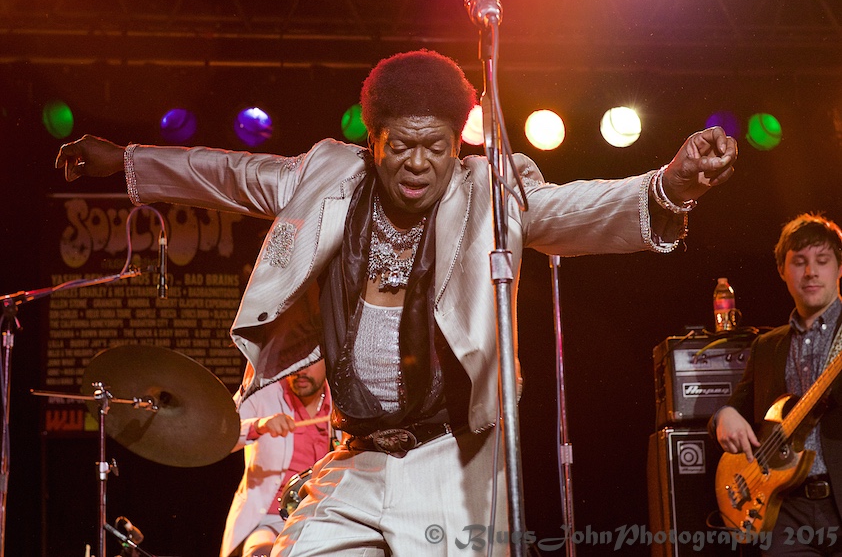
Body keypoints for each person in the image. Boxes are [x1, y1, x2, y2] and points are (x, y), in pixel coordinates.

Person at [55, 49, 737, 556]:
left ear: (456, 143)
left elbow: (569, 209)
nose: (417, 163)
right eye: (400, 145)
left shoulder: (486, 192)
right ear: (373, 141)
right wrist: (127, 161)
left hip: (451, 465)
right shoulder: (328, 178)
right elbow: (230, 173)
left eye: (435, 146)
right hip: (354, 459)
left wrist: (670, 185)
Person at [712, 213, 842, 555]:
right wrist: (724, 416)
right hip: (784, 510)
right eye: (799, 262)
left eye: (822, 261)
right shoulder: (766, 346)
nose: (810, 272)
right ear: (782, 271)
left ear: (839, 269)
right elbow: (735, 409)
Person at [221, 359, 334, 557]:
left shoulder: (341, 401)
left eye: (311, 360)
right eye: (295, 360)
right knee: (260, 552)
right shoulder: (264, 390)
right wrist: (258, 426)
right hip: (268, 518)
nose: (301, 369)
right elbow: (220, 435)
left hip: (319, 518)